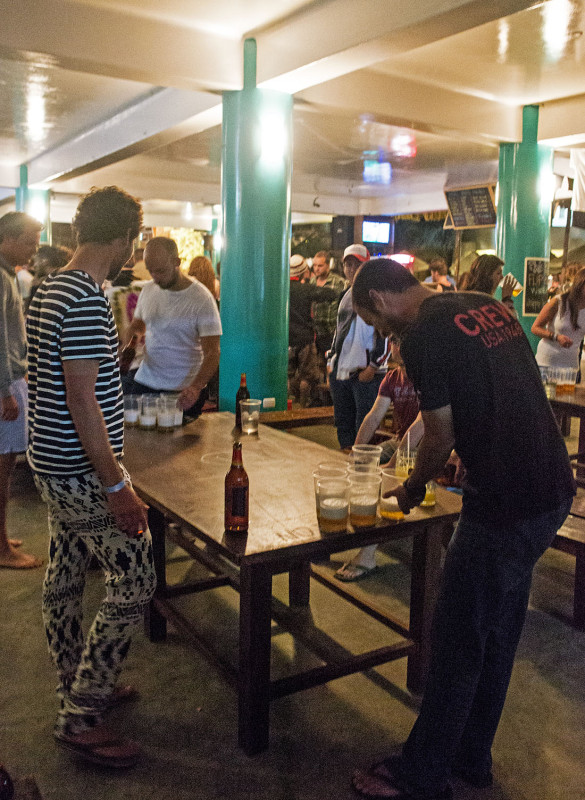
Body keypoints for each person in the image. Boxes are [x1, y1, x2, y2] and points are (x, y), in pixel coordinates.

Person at [350, 257, 575, 800]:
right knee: (495, 634)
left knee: (456, 640)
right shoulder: (489, 307)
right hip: (551, 488)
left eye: (377, 324)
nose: (384, 336)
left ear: (380, 299)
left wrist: (409, 490)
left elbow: (440, 432)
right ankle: (471, 760)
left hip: (503, 501)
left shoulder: (424, 332)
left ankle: (420, 775)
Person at [26, 186, 157, 769]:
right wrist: (116, 485)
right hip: (80, 469)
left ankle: (83, 680)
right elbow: (81, 401)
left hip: (49, 460)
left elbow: (68, 379)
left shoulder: (52, 288)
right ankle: (81, 713)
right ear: (125, 238)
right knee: (135, 574)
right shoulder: (82, 297)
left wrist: (117, 362)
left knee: (65, 571)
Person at [335, 333, 420, 582]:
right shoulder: (393, 378)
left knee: (386, 476)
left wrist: (391, 466)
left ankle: (368, 552)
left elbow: (421, 426)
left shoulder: (426, 374)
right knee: (356, 467)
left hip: (428, 446)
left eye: (402, 340)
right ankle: (346, 527)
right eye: (394, 341)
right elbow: (374, 416)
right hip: (399, 441)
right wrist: (356, 452)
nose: (397, 346)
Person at [123, 237, 222, 419]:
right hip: (146, 380)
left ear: (176, 262)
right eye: (150, 271)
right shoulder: (149, 290)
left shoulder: (202, 299)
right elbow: (137, 325)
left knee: (175, 442)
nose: (155, 277)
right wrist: (127, 345)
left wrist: (195, 387)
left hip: (182, 388)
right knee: (134, 437)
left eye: (160, 271)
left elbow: (213, 352)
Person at [0, 211, 43, 570]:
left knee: (6, 467)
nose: (35, 247)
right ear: (8, 239)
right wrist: (5, 390)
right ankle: (1, 549)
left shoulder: (8, 275)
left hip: (11, 378)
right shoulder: (1, 277)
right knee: (3, 467)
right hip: (4, 384)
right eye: (30, 239)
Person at [327, 244, 388, 450]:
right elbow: (339, 329)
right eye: (348, 265)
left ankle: (361, 469)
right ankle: (347, 463)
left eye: (356, 265)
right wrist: (332, 359)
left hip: (366, 372)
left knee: (364, 425)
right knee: (343, 423)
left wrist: (373, 366)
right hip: (342, 370)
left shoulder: (376, 294)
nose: (352, 270)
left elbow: (386, 332)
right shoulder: (345, 295)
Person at [288, 254, 342, 406]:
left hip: (286, 339)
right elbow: (330, 294)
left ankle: (288, 407)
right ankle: (303, 408)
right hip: (305, 339)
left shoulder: (282, 288)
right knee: (307, 377)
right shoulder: (306, 289)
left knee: (288, 376)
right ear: (302, 272)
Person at [532, 266, 585, 372]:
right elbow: (535, 328)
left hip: (570, 366)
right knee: (546, 389)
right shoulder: (559, 302)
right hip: (547, 362)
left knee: (567, 389)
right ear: (580, 285)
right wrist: (556, 337)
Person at [310, 250, 346, 361]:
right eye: (315, 265)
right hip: (316, 332)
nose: (316, 268)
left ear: (328, 266)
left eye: (320, 265)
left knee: (331, 363)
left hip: (331, 332)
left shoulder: (339, 282)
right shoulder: (312, 282)